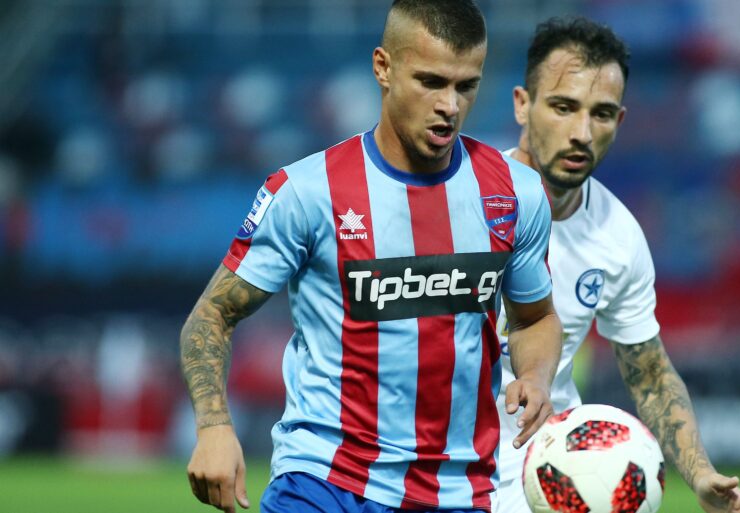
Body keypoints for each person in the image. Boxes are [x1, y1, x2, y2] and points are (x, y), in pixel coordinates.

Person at [180, 2, 563, 513]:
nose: (449, 105)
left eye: (465, 86)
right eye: (430, 82)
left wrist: (535, 376)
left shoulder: (517, 194)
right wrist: (213, 427)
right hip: (322, 481)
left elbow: (535, 317)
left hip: (455, 491)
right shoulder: (307, 192)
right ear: (383, 67)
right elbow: (211, 315)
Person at [493, 17, 740, 513]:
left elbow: (650, 373)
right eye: (563, 107)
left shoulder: (618, 235)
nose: (581, 133)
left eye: (600, 114)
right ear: (522, 104)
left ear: (619, 122)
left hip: (547, 478)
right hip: (436, 467)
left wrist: (700, 473)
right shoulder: (460, 198)